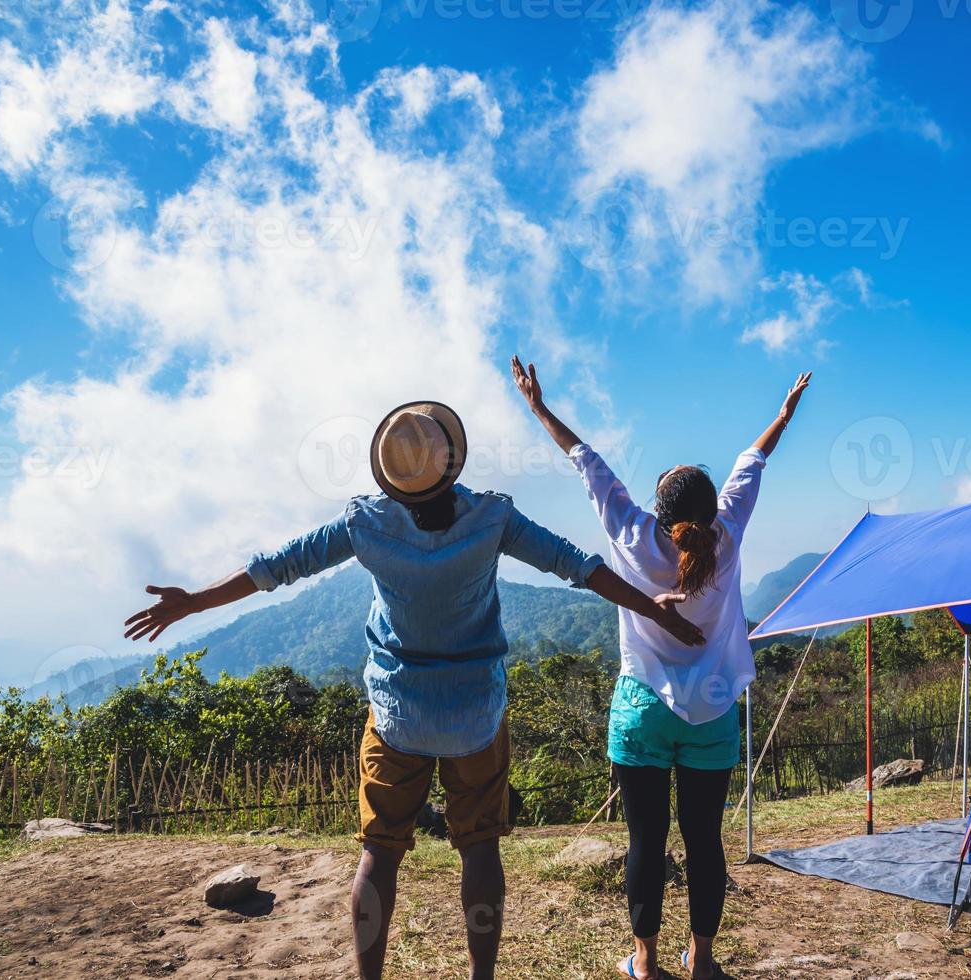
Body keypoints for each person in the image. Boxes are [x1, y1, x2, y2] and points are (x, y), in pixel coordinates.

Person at [123, 399, 704, 980]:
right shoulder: (491, 519)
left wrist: (194, 602)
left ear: (392, 478)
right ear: (450, 461)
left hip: (397, 715)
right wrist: (646, 606)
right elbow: (575, 565)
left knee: (379, 853)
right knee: (480, 849)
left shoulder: (365, 523)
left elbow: (277, 567)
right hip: (475, 715)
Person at [511, 358, 812, 980]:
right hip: (714, 713)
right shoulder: (725, 535)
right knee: (704, 842)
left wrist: (538, 408)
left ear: (661, 507)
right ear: (709, 511)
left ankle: (645, 962)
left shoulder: (630, 531)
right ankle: (702, 962)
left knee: (644, 842)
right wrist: (782, 415)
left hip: (643, 709)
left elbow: (587, 462)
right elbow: (751, 465)